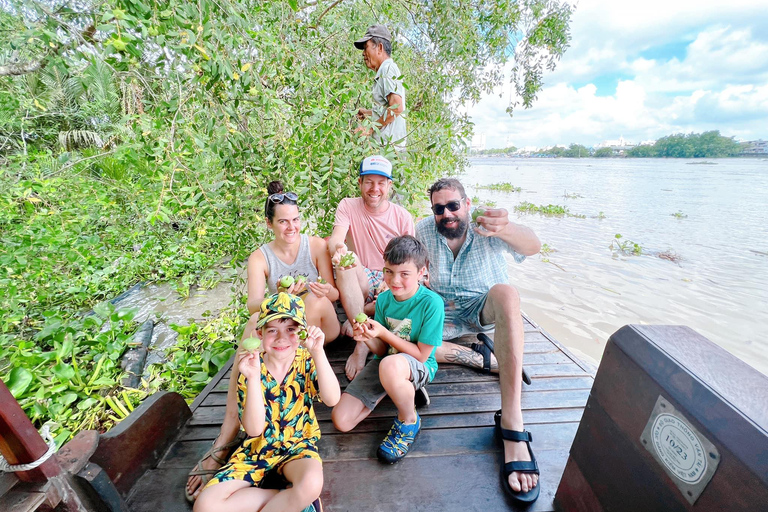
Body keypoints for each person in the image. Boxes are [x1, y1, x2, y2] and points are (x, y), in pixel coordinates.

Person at [415, 178, 543, 504]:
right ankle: (482, 358)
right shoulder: (423, 231)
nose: (447, 214)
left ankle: (512, 420)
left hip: (481, 309)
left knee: (507, 293)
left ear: (467, 204)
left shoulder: (488, 229)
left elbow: (533, 246)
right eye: (438, 208)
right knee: (398, 341)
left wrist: (507, 227)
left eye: (453, 205)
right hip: (441, 316)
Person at [193, 293, 341, 512]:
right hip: (256, 450)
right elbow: (253, 430)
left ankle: (295, 499)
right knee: (205, 506)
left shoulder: (306, 358)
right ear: (259, 334)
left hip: (298, 446)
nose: (281, 338)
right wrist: (253, 378)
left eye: (291, 329)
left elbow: (332, 398)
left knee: (311, 482)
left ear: (302, 332)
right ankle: (291, 501)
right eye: (272, 330)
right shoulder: (251, 367)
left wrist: (318, 353)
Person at [331, 235, 444, 463]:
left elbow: (422, 355)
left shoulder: (431, 303)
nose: (395, 281)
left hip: (419, 365)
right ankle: (395, 389)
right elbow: (382, 351)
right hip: (386, 363)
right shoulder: (383, 301)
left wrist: (383, 332)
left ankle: (409, 420)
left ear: (421, 272)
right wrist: (368, 338)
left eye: (405, 274)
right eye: (389, 272)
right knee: (341, 421)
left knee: (391, 365)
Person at [327, 155, 415, 381]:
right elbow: (336, 238)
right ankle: (362, 340)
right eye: (369, 182)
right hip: (362, 276)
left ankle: (359, 328)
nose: (374, 189)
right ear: (359, 183)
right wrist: (339, 249)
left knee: (401, 282)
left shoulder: (402, 216)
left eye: (381, 183)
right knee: (347, 262)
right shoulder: (348, 205)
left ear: (389, 186)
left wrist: (390, 279)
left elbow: (408, 260)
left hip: (389, 276)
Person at [246, 181, 341, 343]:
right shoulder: (259, 258)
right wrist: (280, 298)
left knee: (312, 300)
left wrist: (324, 290)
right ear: (269, 223)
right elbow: (252, 306)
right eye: (283, 221)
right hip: (285, 324)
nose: (292, 227)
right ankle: (250, 367)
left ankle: (302, 360)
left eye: (295, 220)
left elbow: (334, 295)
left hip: (322, 327)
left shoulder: (316, 246)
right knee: (254, 320)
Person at [353, 24, 407, 150]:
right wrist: (367, 113)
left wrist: (370, 128)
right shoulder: (385, 70)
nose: (363, 54)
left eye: (366, 48)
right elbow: (389, 110)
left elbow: (396, 108)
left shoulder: (387, 69)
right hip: (388, 150)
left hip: (390, 152)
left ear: (379, 48)